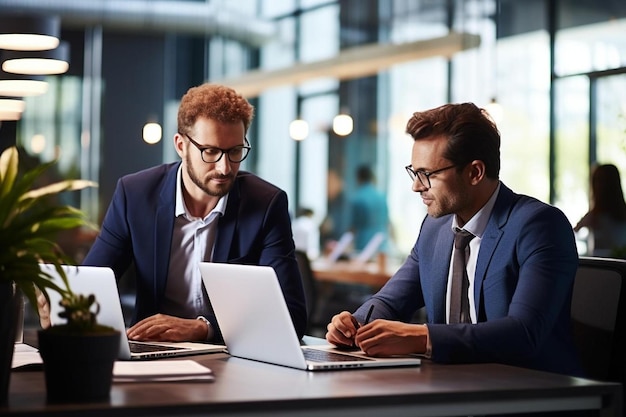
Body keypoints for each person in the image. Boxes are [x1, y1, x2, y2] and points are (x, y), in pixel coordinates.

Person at [326, 102, 582, 377]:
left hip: (531, 392)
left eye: (428, 174)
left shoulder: (539, 225)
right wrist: (354, 323)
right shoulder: (435, 228)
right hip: (450, 387)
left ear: (474, 172)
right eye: (414, 172)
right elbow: (390, 302)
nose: (416, 186)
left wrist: (422, 337)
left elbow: (523, 333)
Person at [80, 83, 307, 343]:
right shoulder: (135, 195)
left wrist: (203, 328)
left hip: (230, 359)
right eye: (210, 151)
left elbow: (292, 317)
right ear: (181, 145)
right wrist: (61, 300)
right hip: (153, 352)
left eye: (234, 151)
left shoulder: (266, 204)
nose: (224, 168)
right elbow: (91, 286)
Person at [574, 163, 626, 257]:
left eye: (603, 180)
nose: (599, 185)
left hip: (614, 266)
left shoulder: (595, 215)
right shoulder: (593, 216)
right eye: (597, 181)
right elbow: (574, 231)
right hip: (602, 266)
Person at [349, 165, 390, 253]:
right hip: (381, 245)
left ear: (358, 178)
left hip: (363, 246)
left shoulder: (358, 198)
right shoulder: (381, 196)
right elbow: (387, 223)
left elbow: (354, 227)